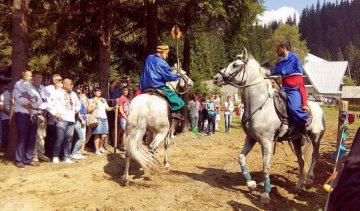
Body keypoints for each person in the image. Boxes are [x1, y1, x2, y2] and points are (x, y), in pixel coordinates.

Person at [267, 41, 309, 144]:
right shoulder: (283, 60)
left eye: (278, 49)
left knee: (293, 108)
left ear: (284, 47)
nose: (277, 51)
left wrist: (269, 71)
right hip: (284, 88)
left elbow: (281, 69)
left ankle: (303, 130)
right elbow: (278, 68)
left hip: (294, 89)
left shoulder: (292, 57)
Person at [139, 44, 185, 120]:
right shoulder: (163, 63)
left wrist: (170, 69)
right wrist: (178, 75)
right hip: (157, 85)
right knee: (178, 100)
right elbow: (169, 77)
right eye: (166, 53)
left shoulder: (149, 58)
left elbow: (156, 69)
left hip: (145, 86)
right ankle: (174, 112)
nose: (166, 56)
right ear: (162, 52)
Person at [13, 71, 43, 168]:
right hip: (22, 115)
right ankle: (19, 160)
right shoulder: (17, 88)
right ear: (24, 76)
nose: (32, 78)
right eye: (30, 76)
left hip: (33, 115)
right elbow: (21, 100)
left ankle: (28, 159)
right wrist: (32, 102)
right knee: (22, 138)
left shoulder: (33, 89)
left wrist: (31, 104)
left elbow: (39, 101)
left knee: (32, 138)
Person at [49, 78, 81, 164]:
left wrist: (75, 110)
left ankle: (66, 157)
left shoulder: (73, 94)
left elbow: (78, 105)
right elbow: (50, 104)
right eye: (70, 84)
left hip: (71, 119)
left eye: (72, 84)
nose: (72, 86)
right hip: (61, 119)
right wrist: (55, 113)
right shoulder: (57, 93)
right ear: (64, 84)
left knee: (69, 139)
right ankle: (55, 156)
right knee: (59, 138)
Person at [88, 88, 115, 156]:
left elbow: (108, 108)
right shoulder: (91, 100)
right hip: (97, 118)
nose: (99, 92)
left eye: (100, 91)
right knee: (97, 134)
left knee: (104, 135)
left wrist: (114, 107)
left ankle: (101, 147)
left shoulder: (103, 100)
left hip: (104, 118)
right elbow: (88, 110)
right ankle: (96, 150)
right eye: (97, 91)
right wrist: (94, 107)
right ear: (94, 92)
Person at [32, 71, 50, 162]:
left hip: (44, 114)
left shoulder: (43, 88)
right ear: (33, 78)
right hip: (35, 114)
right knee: (35, 135)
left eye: (41, 77)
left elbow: (47, 100)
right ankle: (34, 155)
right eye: (38, 77)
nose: (40, 79)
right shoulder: (30, 89)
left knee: (42, 135)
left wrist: (46, 108)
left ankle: (41, 154)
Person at [71, 86, 88, 160]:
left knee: (80, 137)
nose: (79, 93)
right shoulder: (74, 101)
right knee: (81, 138)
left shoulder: (80, 100)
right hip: (77, 121)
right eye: (78, 92)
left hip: (82, 120)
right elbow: (77, 113)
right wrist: (82, 120)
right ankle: (74, 153)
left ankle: (77, 153)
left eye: (80, 92)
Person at [117, 86, 130, 152]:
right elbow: (121, 110)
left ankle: (124, 145)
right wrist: (126, 117)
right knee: (125, 131)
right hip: (123, 117)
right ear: (122, 91)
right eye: (124, 90)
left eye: (127, 90)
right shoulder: (121, 98)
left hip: (127, 117)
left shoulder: (127, 99)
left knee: (126, 132)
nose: (126, 91)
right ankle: (123, 146)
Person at [0, 83, 10, 150]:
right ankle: (5, 147)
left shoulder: (15, 94)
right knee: (5, 133)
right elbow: (1, 107)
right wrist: (9, 114)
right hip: (5, 117)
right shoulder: (3, 95)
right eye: (9, 85)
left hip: (14, 118)